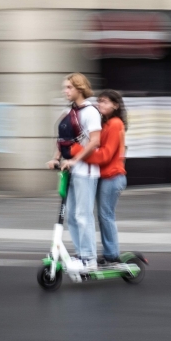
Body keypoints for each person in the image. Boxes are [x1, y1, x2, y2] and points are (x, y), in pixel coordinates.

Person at [46, 73, 101, 272]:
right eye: (64, 87)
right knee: (71, 216)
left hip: (85, 171)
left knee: (83, 215)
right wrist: (56, 158)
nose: (65, 91)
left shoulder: (90, 112)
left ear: (79, 88)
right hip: (70, 170)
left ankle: (90, 259)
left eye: (68, 87)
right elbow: (61, 140)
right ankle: (81, 255)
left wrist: (75, 160)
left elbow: (95, 141)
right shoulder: (68, 112)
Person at [65, 89, 127, 265]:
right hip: (104, 176)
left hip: (113, 176)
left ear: (115, 105)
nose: (101, 104)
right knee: (101, 215)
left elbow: (104, 156)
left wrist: (78, 151)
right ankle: (108, 253)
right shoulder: (105, 123)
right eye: (99, 101)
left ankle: (112, 254)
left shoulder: (115, 123)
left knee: (105, 215)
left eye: (106, 102)